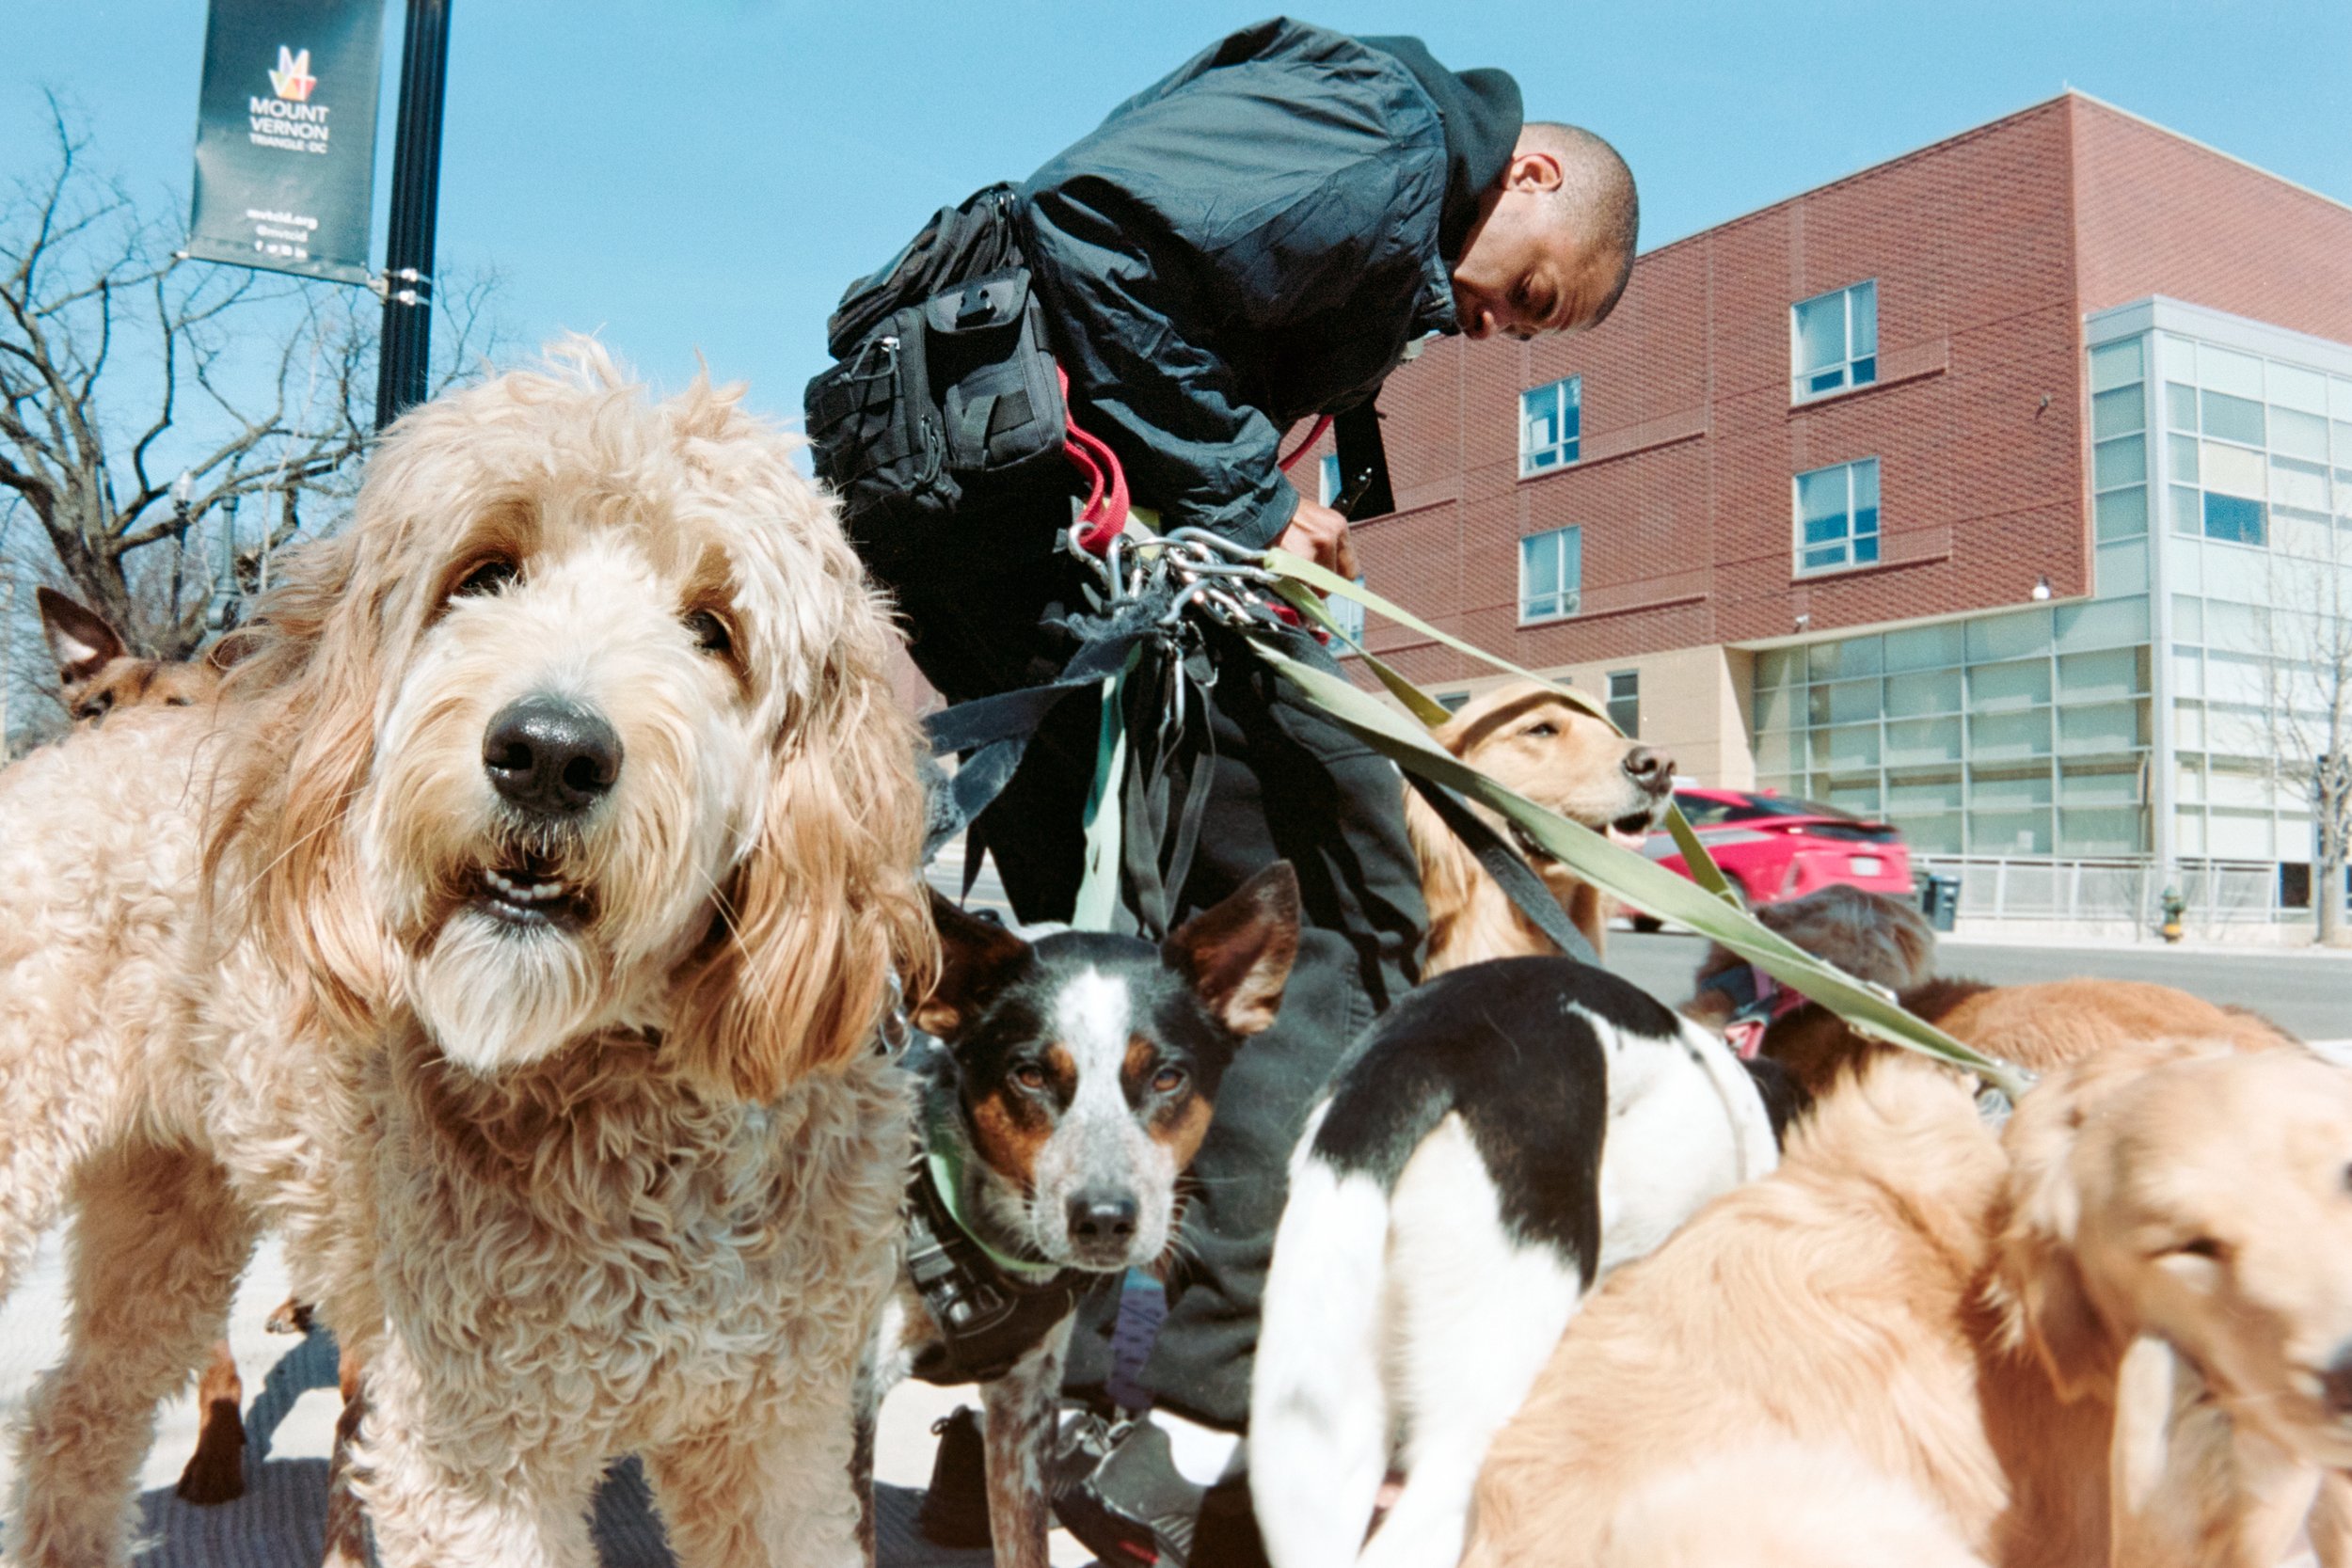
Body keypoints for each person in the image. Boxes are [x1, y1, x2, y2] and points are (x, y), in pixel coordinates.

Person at [820, 19, 1638, 1563]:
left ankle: (1011, 1398)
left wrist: (1291, 501)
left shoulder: (1389, 201)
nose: (1500, 328)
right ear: (1529, 174)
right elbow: (1093, 225)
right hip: (1041, 518)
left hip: (1013, 531)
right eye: (1529, 293)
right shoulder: (1393, 135)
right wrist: (1256, 503)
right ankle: (1193, 1426)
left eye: (1531, 336)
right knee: (1331, 903)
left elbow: (1182, 298)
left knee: (1113, 967)